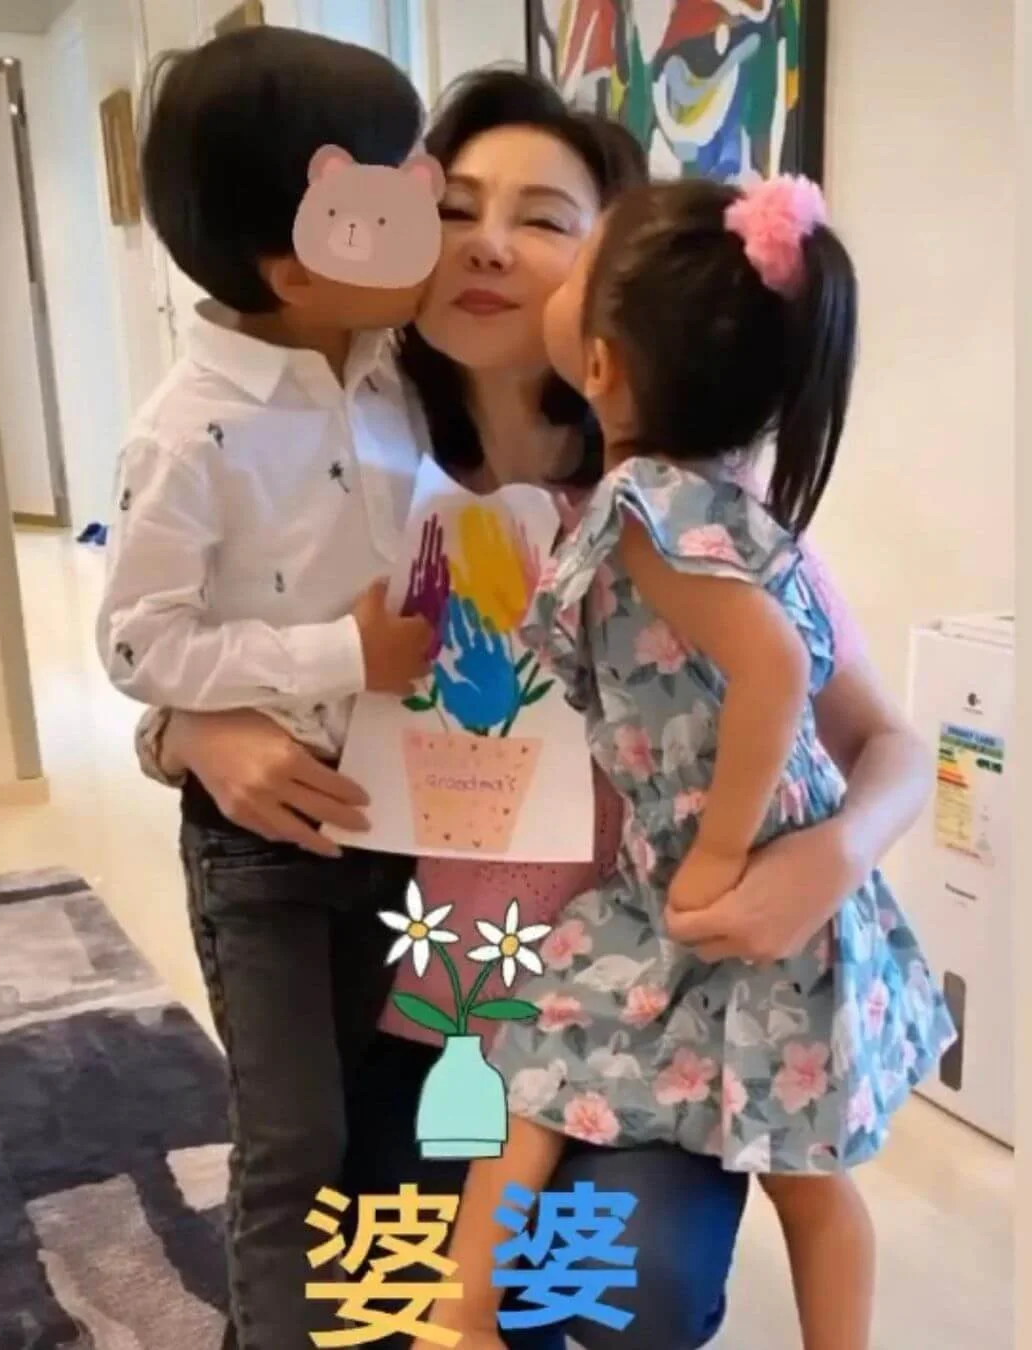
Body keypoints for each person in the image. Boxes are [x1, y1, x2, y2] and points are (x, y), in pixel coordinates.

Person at [136, 70, 934, 1350]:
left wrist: (828, 858)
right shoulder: (348, 473)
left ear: (614, 295)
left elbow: (882, 740)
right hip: (416, 998)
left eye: (547, 219)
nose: (489, 245)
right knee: (365, 1282)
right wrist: (189, 730)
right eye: (452, 209)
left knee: (629, 1284)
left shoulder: (684, 509)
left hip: (649, 1000)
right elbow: (184, 636)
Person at [418, 177, 956, 1350]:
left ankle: (459, 1316)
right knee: (783, 1168)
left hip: (725, 891)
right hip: (665, 899)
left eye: (566, 238)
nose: (511, 254)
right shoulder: (707, 509)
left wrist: (737, 852)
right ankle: (462, 1314)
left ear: (600, 365)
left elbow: (785, 673)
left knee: (564, 1083)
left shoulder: (648, 514)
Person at [97, 28, 438, 1350]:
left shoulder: (398, 380)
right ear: (301, 264)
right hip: (266, 846)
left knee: (391, 1108)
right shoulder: (189, 431)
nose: (435, 214)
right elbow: (138, 645)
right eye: (404, 197)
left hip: (414, 822)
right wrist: (339, 655)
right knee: (293, 1140)